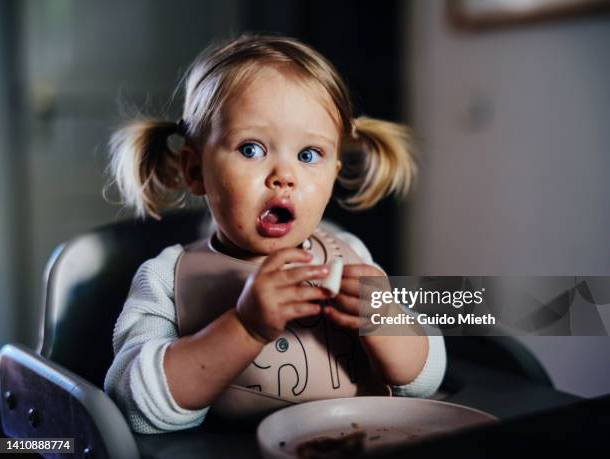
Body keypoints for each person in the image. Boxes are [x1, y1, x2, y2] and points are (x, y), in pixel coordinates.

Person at [103, 34, 446, 434]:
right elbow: (131, 406)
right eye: (251, 149)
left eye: (308, 155)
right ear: (196, 171)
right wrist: (245, 328)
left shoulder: (349, 252)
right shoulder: (165, 278)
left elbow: (427, 377)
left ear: (333, 174)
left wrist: (385, 320)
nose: (285, 177)